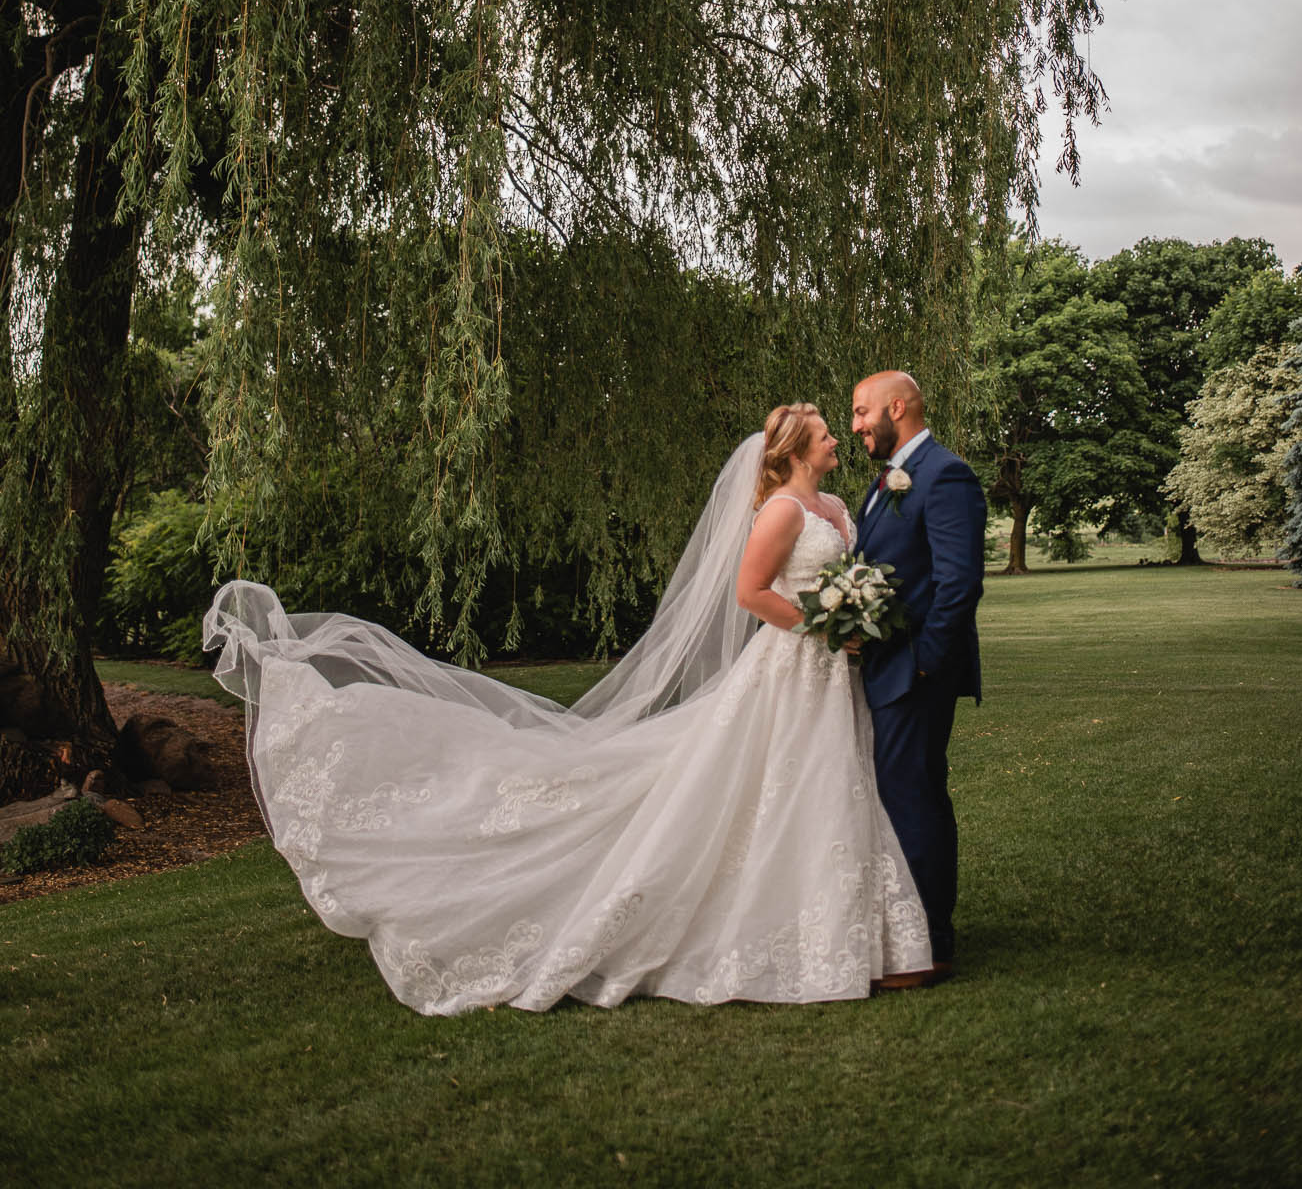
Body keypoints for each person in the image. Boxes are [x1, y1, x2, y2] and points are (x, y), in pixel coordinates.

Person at [204, 404, 931, 1015]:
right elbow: (751, 593)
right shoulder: (780, 511)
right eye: (826, 434)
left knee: (824, 784)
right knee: (772, 784)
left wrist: (856, 614)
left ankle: (847, 934)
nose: (837, 440)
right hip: (791, 666)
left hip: (831, 675)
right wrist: (823, 625)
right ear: (796, 451)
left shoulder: (836, 508)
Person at [851, 370, 986, 979]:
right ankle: (908, 933)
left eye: (862, 411)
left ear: (897, 408)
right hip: (888, 665)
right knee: (901, 793)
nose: (856, 424)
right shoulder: (887, 480)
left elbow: (959, 583)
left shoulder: (945, 475)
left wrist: (925, 661)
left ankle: (931, 943)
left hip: (917, 672)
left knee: (914, 798)